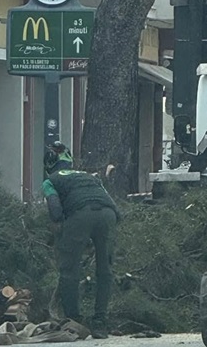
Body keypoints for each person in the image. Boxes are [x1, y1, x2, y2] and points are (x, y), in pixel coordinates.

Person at [42, 142, 120, 339]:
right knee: (105, 269)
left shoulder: (50, 180)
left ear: (49, 164)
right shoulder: (88, 176)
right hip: (108, 214)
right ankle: (101, 321)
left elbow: (55, 211)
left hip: (79, 215)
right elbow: (112, 204)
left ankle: (73, 320)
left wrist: (61, 229)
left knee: (70, 269)